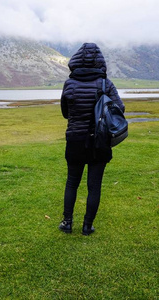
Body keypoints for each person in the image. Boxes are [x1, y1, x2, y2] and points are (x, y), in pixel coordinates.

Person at [59, 43, 125, 235]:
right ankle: (87, 226)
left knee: (72, 182)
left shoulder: (69, 83)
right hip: (100, 141)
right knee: (94, 185)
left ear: (77, 60)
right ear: (100, 61)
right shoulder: (106, 84)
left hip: (75, 139)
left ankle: (67, 223)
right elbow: (120, 109)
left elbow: (65, 113)